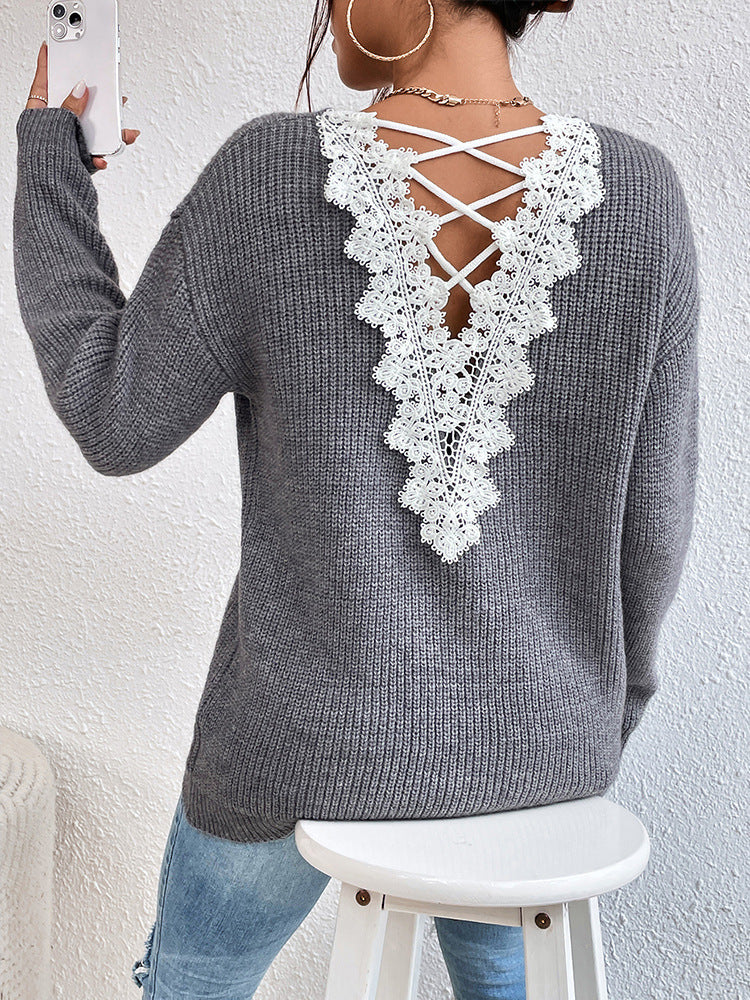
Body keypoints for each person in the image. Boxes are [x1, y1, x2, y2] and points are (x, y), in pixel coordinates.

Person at [14, 0, 699, 997]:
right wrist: (596, 716)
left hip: (300, 744)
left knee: (188, 990)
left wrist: (50, 170)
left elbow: (111, 414)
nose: (325, 14)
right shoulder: (644, 196)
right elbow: (658, 522)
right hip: (541, 758)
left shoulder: (267, 175)